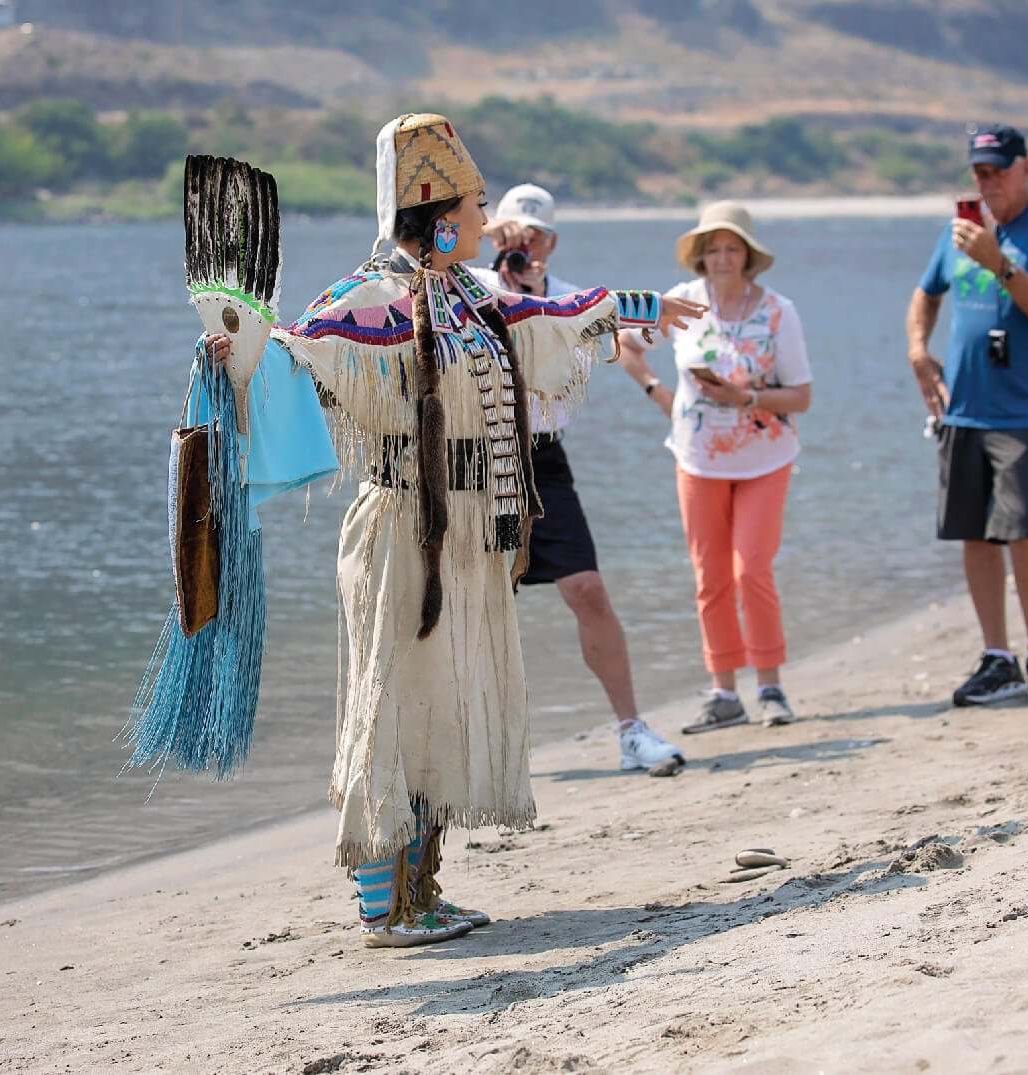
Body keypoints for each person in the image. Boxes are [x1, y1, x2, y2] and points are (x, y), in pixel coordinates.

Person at [200, 114, 702, 948]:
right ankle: (380, 906)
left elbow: (546, 315)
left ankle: (421, 893)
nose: (482, 218)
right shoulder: (373, 296)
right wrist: (237, 346)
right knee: (393, 702)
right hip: (405, 532)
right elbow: (298, 350)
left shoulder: (469, 293)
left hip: (470, 536)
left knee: (444, 708)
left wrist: (639, 305)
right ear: (436, 214)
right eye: (471, 204)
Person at [471, 183, 685, 774]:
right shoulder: (469, 286)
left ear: (553, 242)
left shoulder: (568, 297)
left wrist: (646, 320)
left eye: (536, 237)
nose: (526, 246)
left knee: (587, 587)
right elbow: (417, 275)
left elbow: (622, 327)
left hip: (542, 457)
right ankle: (480, 745)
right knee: (481, 602)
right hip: (478, 461)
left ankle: (631, 730)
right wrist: (493, 246)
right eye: (516, 234)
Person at [616, 201, 814, 731]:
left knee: (751, 569)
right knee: (710, 578)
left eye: (732, 249)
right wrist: (661, 394)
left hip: (765, 458)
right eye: (713, 249)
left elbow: (800, 396)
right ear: (700, 256)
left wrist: (744, 398)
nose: (722, 258)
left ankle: (770, 687)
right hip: (697, 458)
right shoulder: (680, 302)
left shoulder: (778, 312)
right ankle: (724, 693)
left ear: (748, 256)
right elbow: (626, 344)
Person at [904, 124, 1028, 707]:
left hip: (1027, 408)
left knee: (1025, 529)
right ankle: (997, 657)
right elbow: (926, 292)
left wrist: (997, 261)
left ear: (1024, 168)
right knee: (975, 534)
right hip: (965, 408)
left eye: (998, 170)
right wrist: (917, 349)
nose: (988, 181)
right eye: (979, 171)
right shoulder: (958, 229)